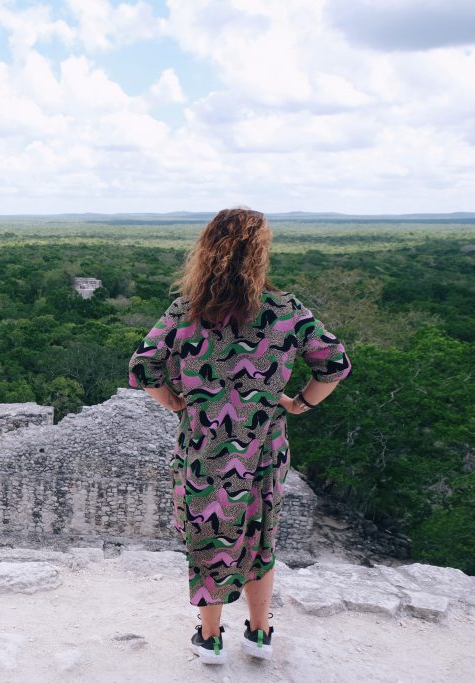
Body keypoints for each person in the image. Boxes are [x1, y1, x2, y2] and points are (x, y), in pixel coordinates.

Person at [128, 208, 351, 664]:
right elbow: (334, 364)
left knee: (210, 537)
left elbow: (143, 366)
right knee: (259, 537)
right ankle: (260, 632)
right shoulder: (287, 311)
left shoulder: (186, 312)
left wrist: (173, 401)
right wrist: (298, 403)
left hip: (203, 448)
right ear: (260, 255)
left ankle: (210, 637)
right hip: (263, 449)